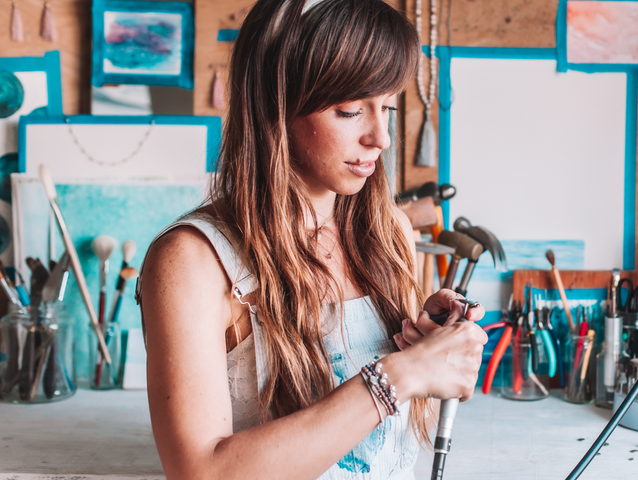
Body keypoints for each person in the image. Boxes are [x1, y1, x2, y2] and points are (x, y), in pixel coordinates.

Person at [136, 0, 488, 478]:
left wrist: (429, 348)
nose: (381, 137)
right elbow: (201, 472)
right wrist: (400, 375)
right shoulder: (193, 261)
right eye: (349, 111)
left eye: (387, 107)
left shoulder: (390, 234)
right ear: (275, 105)